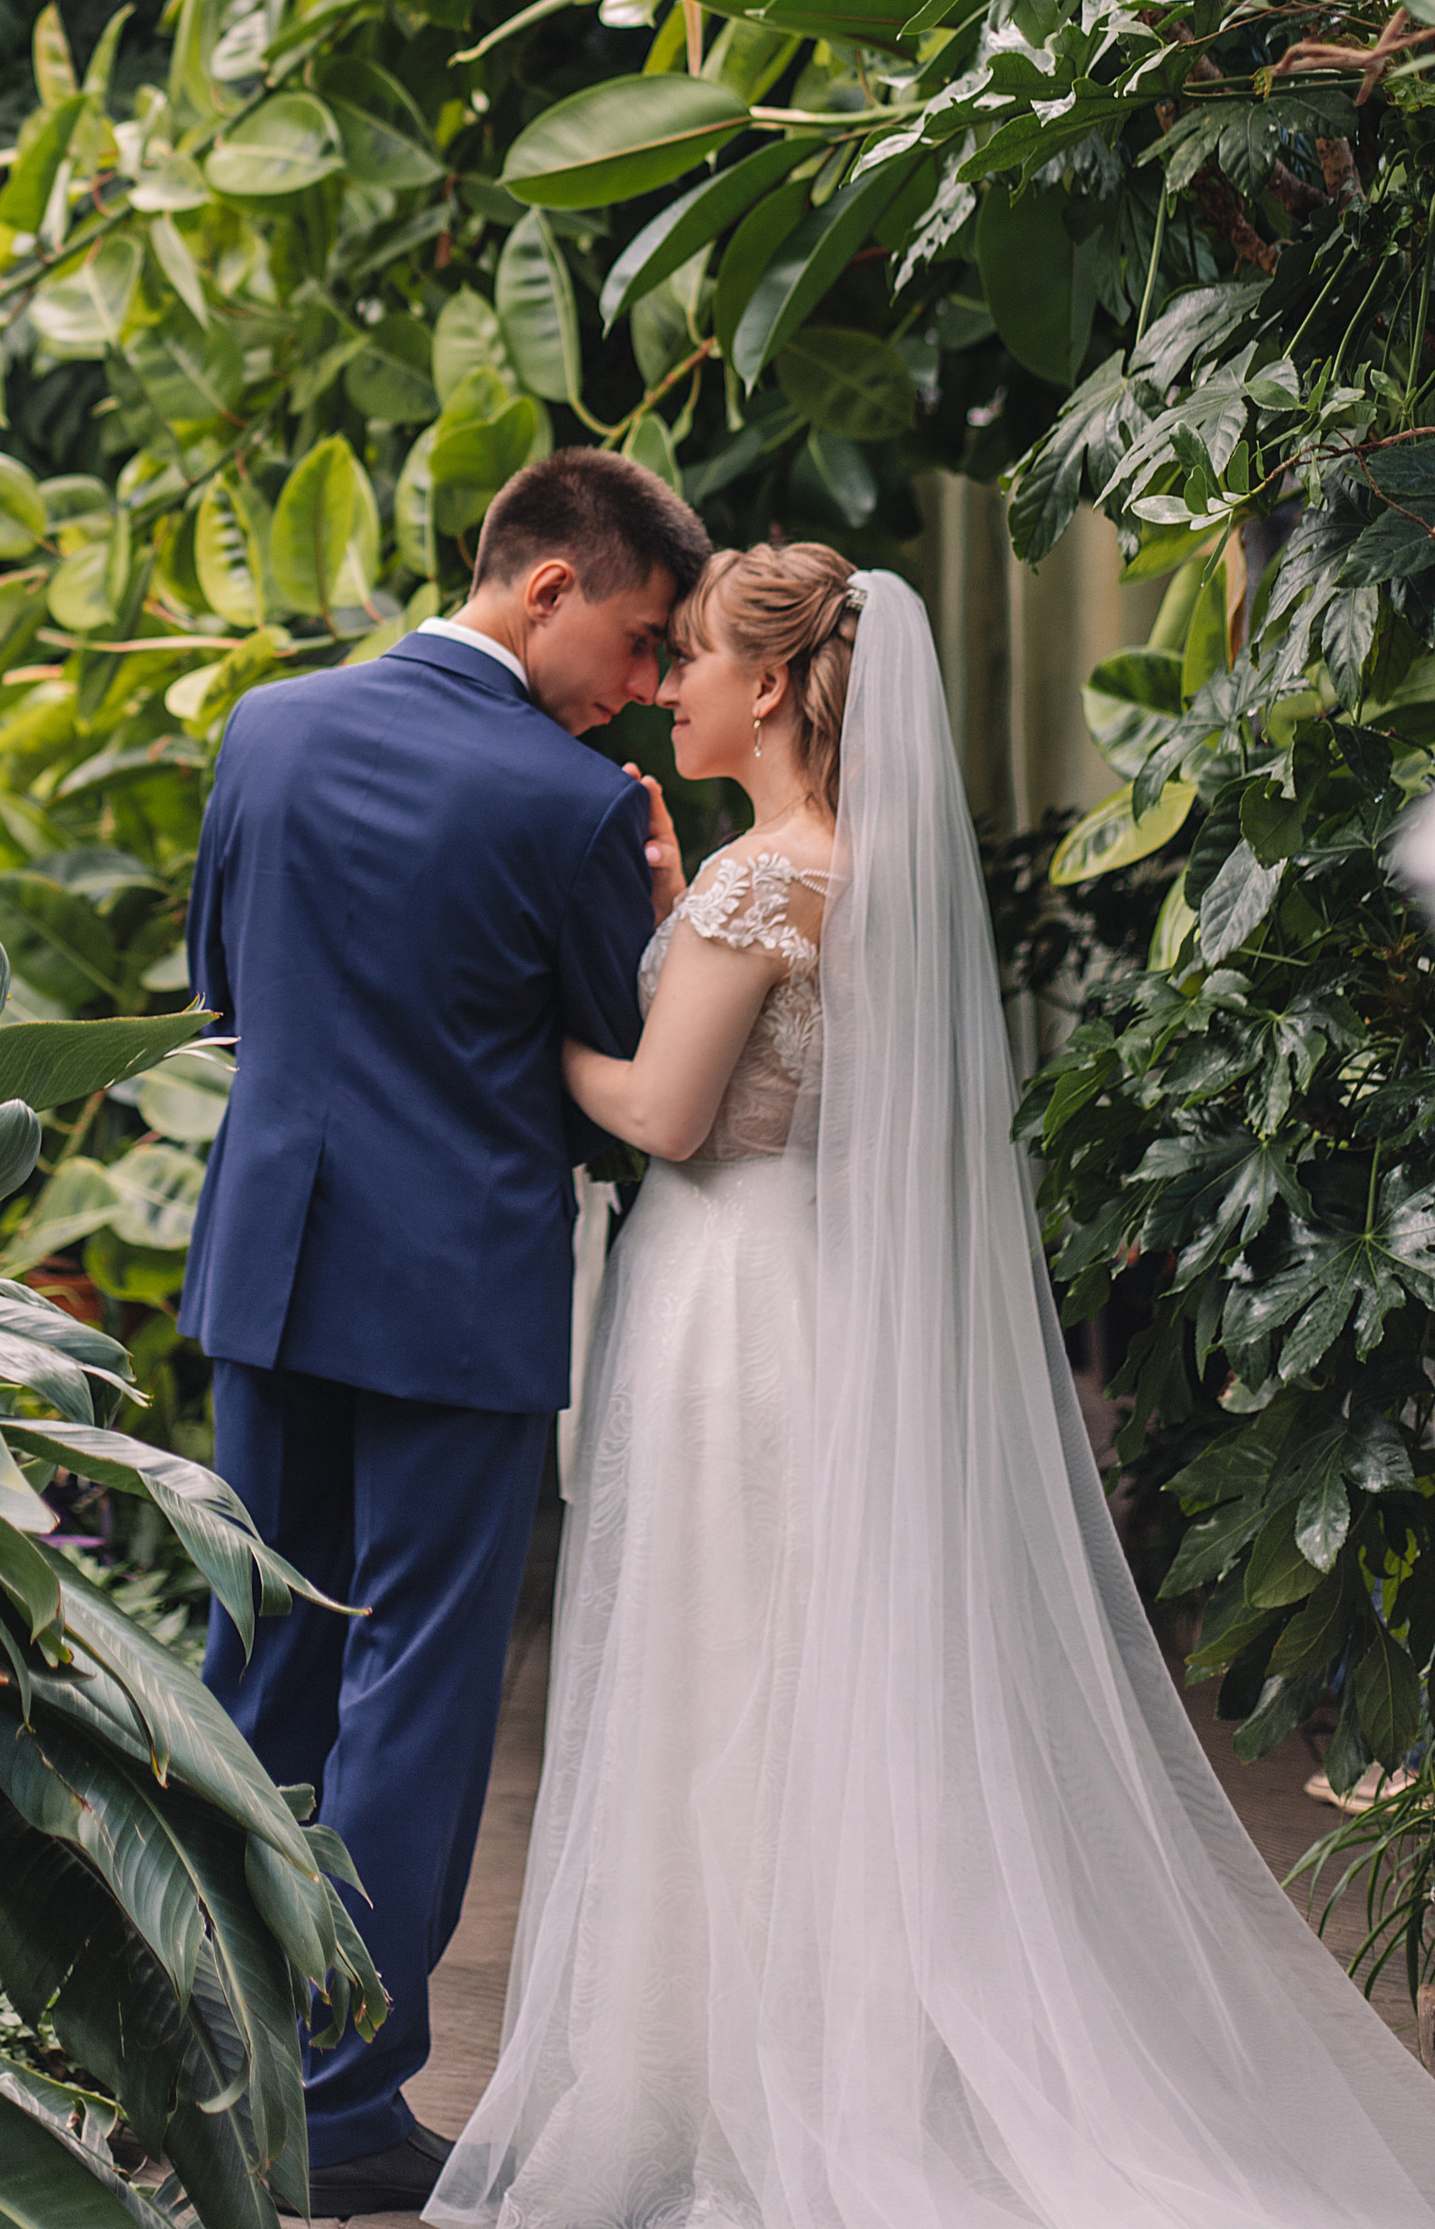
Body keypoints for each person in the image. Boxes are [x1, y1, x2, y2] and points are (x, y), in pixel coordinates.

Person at [433, 543, 1435, 2229]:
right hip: (814, 1289)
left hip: (734, 1308)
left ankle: (735, 2061)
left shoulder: (771, 882)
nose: (667, 685)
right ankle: (840, 2042)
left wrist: (516, 1031)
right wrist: (683, 896)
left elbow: (668, 1115)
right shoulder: (859, 863)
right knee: (811, 1679)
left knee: (728, 1673)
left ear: (769, 686)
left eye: (688, 660)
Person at [180, 448, 711, 2221]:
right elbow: (615, 1073)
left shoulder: (265, 730)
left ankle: (215, 2063)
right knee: (414, 1695)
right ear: (547, 585)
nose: (641, 688)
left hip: (271, 1276)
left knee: (257, 1665)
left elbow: (225, 993)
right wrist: (646, 913)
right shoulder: (567, 809)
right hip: (457, 1301)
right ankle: (341, 2108)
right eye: (638, 644)